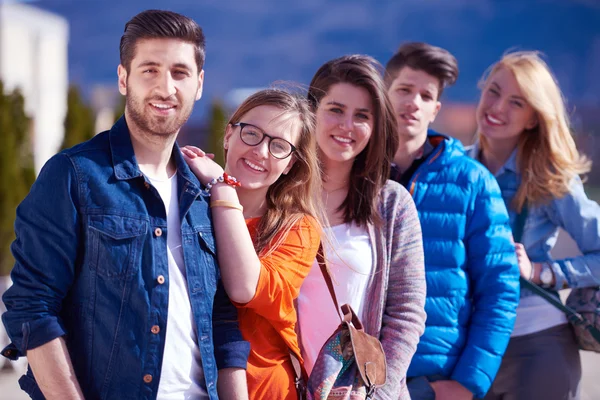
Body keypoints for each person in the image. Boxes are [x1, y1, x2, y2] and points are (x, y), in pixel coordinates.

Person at [1, 10, 249, 400]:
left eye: (180, 73)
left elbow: (223, 321)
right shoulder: (75, 176)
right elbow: (32, 308)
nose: (165, 87)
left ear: (199, 84)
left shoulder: (204, 194)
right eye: (149, 70)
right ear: (123, 78)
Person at [384, 42, 520, 400]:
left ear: (435, 110)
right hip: (355, 370)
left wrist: (467, 384)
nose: (413, 102)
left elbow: (500, 289)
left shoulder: (473, 182)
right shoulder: (350, 172)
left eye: (425, 96)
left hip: (432, 378)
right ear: (382, 94)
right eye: (404, 90)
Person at [470, 51, 600, 400]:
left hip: (535, 345)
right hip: (469, 350)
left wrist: (542, 271)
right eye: (494, 92)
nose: (497, 108)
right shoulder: (456, 169)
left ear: (532, 119)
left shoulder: (548, 178)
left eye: (517, 102)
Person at [296, 54, 427, 400]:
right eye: (336, 110)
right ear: (312, 111)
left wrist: (377, 393)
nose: (347, 126)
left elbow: (406, 314)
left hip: (360, 392)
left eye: (362, 116)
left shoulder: (392, 204)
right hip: (282, 386)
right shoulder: (279, 192)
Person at [182, 87, 323, 400]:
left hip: (265, 391)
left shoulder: (298, 229)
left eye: (279, 146)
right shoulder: (186, 205)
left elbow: (246, 287)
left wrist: (222, 186)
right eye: (252, 134)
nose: (261, 151)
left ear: (290, 164)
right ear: (229, 135)